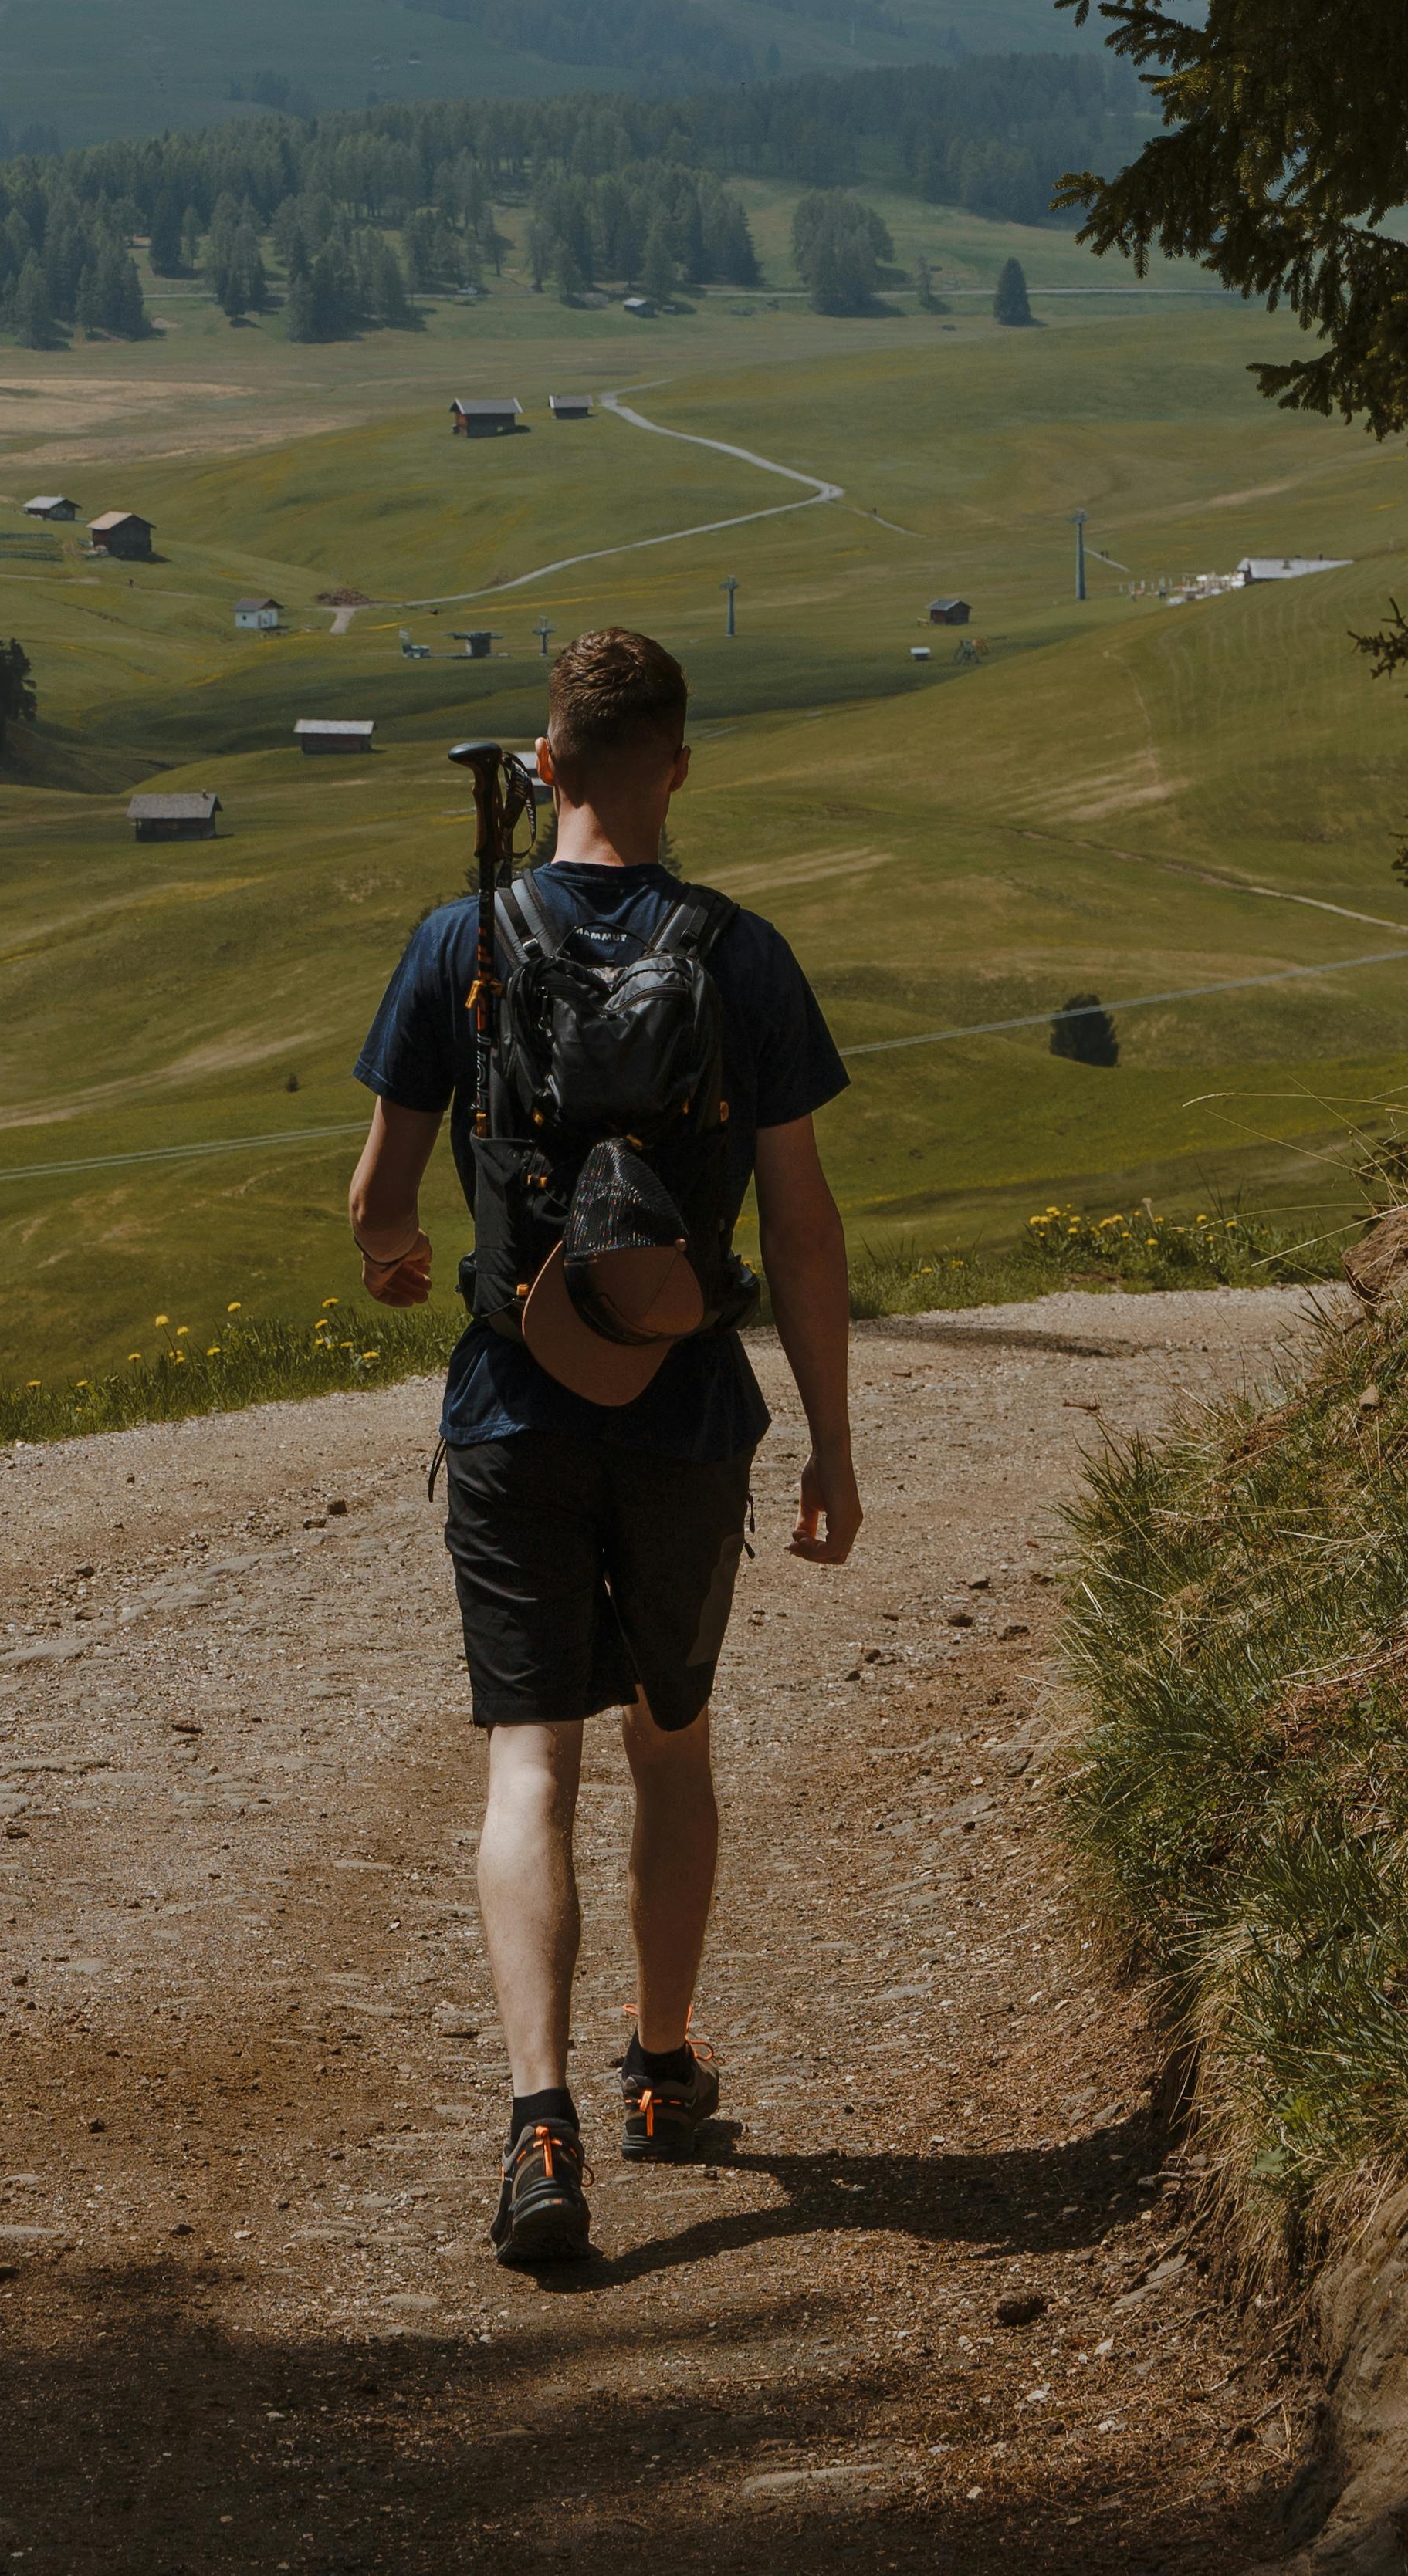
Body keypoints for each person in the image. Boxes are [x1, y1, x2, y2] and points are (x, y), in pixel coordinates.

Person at [348, 624, 860, 2270]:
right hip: (690, 1404)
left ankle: (537, 2118)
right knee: (669, 1737)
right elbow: (798, 1222)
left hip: (510, 1401)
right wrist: (831, 1441)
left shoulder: (458, 938)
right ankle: (659, 2061)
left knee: (528, 1760)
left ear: (545, 762)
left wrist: (394, 1253)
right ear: (677, 766)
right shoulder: (741, 953)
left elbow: (376, 1194)